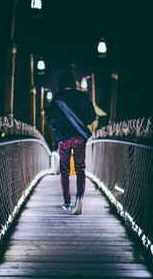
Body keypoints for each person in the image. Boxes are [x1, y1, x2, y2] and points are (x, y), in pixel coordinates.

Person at [47, 72, 96, 214]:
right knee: (80, 169)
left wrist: (58, 128)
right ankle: (79, 197)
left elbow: (51, 120)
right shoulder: (82, 97)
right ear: (73, 83)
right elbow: (91, 117)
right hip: (79, 137)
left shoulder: (58, 99)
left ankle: (67, 202)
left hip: (64, 138)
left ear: (61, 84)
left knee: (65, 171)